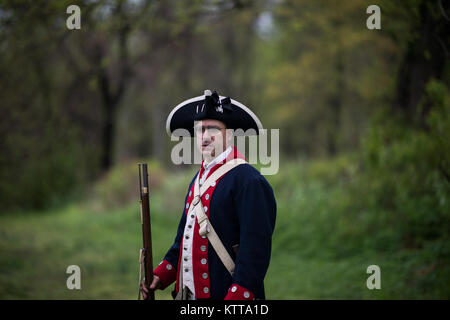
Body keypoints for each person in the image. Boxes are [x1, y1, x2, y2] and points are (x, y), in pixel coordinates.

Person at [141, 90, 276, 300]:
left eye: (212, 129)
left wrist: (238, 298)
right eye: (200, 130)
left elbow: (254, 252)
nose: (204, 136)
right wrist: (160, 275)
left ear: (229, 135)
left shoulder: (249, 181)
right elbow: (182, 242)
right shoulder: (197, 180)